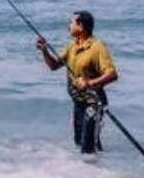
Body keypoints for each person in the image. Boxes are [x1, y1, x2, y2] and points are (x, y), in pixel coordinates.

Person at [36, 10, 118, 155]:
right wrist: (44, 51)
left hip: (94, 103)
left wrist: (90, 82)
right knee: (79, 142)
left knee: (88, 147)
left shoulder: (97, 47)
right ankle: (89, 171)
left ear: (80, 26)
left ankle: (99, 173)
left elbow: (112, 74)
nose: (68, 26)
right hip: (78, 103)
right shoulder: (71, 46)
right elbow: (54, 66)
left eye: (71, 23)